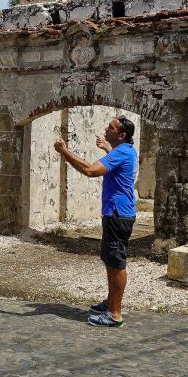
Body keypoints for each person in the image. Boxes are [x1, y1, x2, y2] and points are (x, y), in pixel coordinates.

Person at [54, 116, 137, 328]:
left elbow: (90, 170)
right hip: (117, 213)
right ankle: (110, 303)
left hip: (118, 214)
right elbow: (115, 163)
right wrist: (108, 148)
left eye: (110, 127)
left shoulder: (122, 152)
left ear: (122, 135)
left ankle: (115, 314)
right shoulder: (125, 151)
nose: (105, 129)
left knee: (116, 262)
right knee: (109, 259)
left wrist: (64, 152)